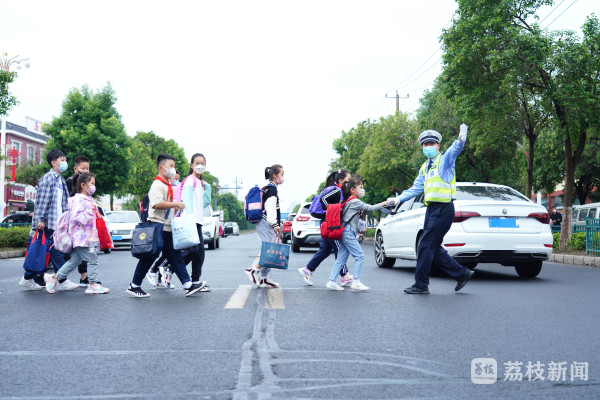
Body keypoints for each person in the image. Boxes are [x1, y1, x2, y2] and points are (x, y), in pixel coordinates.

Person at [388, 124, 474, 294]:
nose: (428, 147)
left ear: (438, 146)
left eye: (431, 144)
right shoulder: (424, 167)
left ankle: (421, 285)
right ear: (422, 147)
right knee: (432, 247)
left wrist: (460, 140)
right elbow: (416, 189)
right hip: (431, 210)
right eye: (425, 144)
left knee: (425, 246)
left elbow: (454, 150)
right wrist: (397, 199)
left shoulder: (444, 160)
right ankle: (461, 274)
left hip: (443, 209)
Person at [126, 153, 206, 298]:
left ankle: (188, 285)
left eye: (174, 166)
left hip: (167, 227)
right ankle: (134, 285)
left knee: (176, 257)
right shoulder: (157, 185)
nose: (173, 169)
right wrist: (176, 204)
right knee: (149, 257)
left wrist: (173, 207)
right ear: (161, 168)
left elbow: (165, 205)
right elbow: (156, 204)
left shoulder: (166, 185)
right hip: (157, 226)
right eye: (171, 166)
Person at [146, 153, 212, 291]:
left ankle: (195, 280)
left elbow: (204, 203)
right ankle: (168, 268)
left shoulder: (199, 182)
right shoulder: (190, 180)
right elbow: (185, 202)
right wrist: (188, 218)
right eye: (197, 163)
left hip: (198, 220)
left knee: (199, 252)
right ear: (191, 165)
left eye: (202, 163)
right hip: (190, 220)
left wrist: (208, 188)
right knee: (193, 250)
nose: (200, 166)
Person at [19, 150, 79, 291]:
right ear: (53, 163)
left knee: (47, 251)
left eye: (65, 160)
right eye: (62, 160)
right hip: (48, 222)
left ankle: (27, 278)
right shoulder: (49, 178)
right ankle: (61, 280)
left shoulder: (59, 179)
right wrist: (41, 219)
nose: (65, 163)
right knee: (54, 251)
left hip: (56, 222)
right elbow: (42, 201)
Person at [45, 173, 109, 294]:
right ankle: (92, 284)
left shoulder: (88, 199)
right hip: (81, 237)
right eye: (92, 183)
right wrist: (90, 212)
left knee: (74, 261)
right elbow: (77, 217)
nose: (94, 186)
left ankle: (54, 279)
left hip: (86, 237)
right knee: (93, 259)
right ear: (83, 185)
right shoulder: (78, 199)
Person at [327, 177, 387, 291]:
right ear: (352, 190)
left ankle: (331, 281)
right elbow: (371, 208)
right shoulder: (355, 201)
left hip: (344, 231)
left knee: (341, 259)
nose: (362, 190)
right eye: (360, 187)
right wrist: (385, 203)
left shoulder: (347, 200)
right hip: (348, 232)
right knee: (359, 256)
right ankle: (356, 282)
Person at [298, 169, 354, 286]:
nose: (349, 182)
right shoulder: (336, 190)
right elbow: (323, 199)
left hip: (327, 221)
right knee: (338, 248)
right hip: (330, 223)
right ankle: (344, 275)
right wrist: (332, 210)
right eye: (348, 180)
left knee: (326, 249)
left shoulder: (338, 191)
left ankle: (308, 269)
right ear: (341, 180)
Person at [244, 164, 284, 288]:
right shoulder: (271, 189)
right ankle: (253, 270)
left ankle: (264, 278)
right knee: (269, 249)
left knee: (270, 249)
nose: (283, 177)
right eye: (282, 174)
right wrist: (275, 224)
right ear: (275, 175)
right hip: (266, 222)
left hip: (264, 222)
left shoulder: (268, 188)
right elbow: (270, 208)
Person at [64, 155, 92, 287]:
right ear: (75, 169)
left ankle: (84, 277)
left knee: (82, 250)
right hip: (73, 222)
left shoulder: (88, 184)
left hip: (83, 223)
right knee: (69, 252)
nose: (86, 171)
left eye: (87, 168)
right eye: (83, 168)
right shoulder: (69, 182)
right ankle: (59, 277)